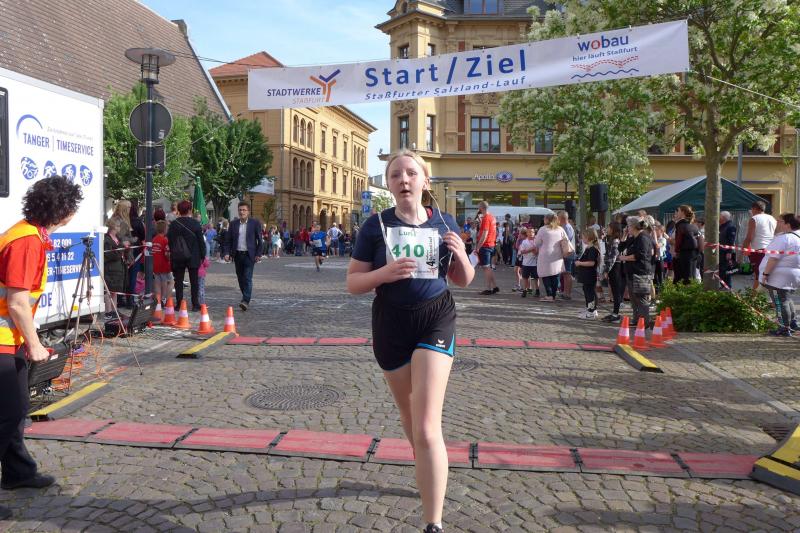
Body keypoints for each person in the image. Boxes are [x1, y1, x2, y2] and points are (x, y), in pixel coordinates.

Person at [346, 149, 474, 533]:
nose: (404, 179)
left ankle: (433, 522)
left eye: (411, 173)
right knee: (409, 414)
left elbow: (463, 279)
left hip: (435, 317)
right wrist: (384, 273)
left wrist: (462, 255)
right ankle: (426, 465)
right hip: (390, 323)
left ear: (424, 181)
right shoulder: (375, 226)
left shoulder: (444, 222)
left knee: (427, 425)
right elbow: (353, 283)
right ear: (389, 184)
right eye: (395, 174)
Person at [0, 176, 83, 519]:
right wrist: (35, 345)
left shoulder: (29, 234)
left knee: (14, 410)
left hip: (9, 340)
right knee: (9, 412)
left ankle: (18, 472)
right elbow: (17, 302)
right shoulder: (26, 242)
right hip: (3, 341)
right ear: (62, 210)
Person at [758, 213, 800, 336]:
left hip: (778, 276)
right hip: (792, 274)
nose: (777, 223)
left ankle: (784, 327)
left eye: (780, 221)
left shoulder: (783, 238)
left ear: (787, 224)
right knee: (786, 298)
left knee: (780, 301)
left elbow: (773, 258)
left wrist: (766, 274)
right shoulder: (797, 237)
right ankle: (792, 323)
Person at [167, 200, 206, 312]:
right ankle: (195, 304)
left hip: (178, 255)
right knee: (194, 281)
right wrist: (202, 255)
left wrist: (173, 252)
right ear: (189, 210)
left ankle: (179, 304)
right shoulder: (195, 223)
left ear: (179, 210)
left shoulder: (174, 224)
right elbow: (201, 241)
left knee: (178, 281)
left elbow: (170, 240)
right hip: (193, 255)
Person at [223, 202, 263, 311]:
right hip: (237, 254)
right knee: (240, 278)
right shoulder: (233, 224)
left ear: (248, 212)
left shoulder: (255, 223)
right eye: (240, 210)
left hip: (249, 255)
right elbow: (228, 240)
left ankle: (245, 300)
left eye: (244, 210)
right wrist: (226, 253)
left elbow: (260, 240)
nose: (242, 212)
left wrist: (258, 254)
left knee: (247, 277)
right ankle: (245, 296)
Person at [619, 217, 655, 327]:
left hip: (641, 272)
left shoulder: (643, 238)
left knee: (641, 298)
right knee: (634, 299)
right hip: (631, 272)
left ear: (633, 226)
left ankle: (644, 322)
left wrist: (625, 258)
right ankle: (636, 319)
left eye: (628, 226)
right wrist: (624, 235)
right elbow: (621, 247)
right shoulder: (633, 238)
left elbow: (641, 255)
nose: (627, 228)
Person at [743, 200, 777, 290]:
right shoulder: (772, 218)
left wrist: (744, 249)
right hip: (771, 249)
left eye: (752, 209)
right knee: (766, 275)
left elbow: (749, 237)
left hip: (759, 250)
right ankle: (759, 296)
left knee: (758, 276)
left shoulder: (754, 218)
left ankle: (754, 297)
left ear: (754, 209)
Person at [533, 213, 567, 302]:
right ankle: (554, 295)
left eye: (544, 218)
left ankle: (549, 295)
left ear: (547, 219)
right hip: (557, 255)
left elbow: (537, 243)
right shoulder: (560, 229)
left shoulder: (543, 229)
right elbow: (566, 240)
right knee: (555, 274)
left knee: (546, 275)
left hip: (545, 255)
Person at [473, 201, 498, 295]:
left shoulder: (486, 218)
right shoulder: (492, 217)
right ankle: (494, 287)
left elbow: (484, 234)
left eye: (478, 207)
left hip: (485, 245)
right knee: (488, 268)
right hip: (491, 244)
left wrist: (478, 247)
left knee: (486, 268)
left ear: (481, 208)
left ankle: (488, 289)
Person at [575, 228, 601, 319]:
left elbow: (591, 263)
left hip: (589, 275)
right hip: (586, 275)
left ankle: (591, 311)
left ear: (589, 237)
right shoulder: (588, 248)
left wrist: (579, 263)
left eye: (583, 237)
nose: (582, 239)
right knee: (587, 291)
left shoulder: (593, 249)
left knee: (590, 293)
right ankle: (589, 308)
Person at [103, 219, 126, 319]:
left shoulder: (117, 238)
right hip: (110, 269)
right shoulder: (107, 239)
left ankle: (114, 310)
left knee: (115, 291)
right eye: (117, 226)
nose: (119, 228)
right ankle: (108, 311)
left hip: (118, 268)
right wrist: (122, 246)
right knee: (108, 291)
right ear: (112, 228)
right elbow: (111, 254)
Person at [672, 205, 701, 284]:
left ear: (683, 213)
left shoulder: (681, 225)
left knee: (683, 277)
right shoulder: (693, 226)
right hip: (694, 254)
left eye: (678, 211)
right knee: (691, 276)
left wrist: (676, 251)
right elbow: (699, 239)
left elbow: (678, 241)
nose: (676, 213)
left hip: (684, 254)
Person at [602, 222, 625, 322]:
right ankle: (614, 313)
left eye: (608, 227)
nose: (607, 229)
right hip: (613, 267)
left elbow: (613, 257)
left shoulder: (615, 241)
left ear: (613, 229)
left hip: (615, 267)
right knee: (614, 290)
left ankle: (616, 314)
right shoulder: (611, 240)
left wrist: (606, 270)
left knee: (616, 291)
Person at [151, 220, 173, 304]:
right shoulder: (164, 240)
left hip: (155, 264)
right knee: (169, 282)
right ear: (164, 229)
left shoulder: (154, 239)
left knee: (157, 283)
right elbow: (167, 253)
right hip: (164, 265)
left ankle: (158, 300)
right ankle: (165, 299)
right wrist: (170, 259)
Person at [558, 211, 576, 300]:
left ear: (561, 218)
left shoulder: (567, 227)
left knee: (567, 273)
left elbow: (565, 241)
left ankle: (567, 293)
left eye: (558, 217)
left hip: (568, 254)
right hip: (567, 253)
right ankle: (565, 292)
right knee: (565, 274)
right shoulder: (565, 227)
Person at [517, 227, 539, 297]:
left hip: (535, 264)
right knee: (525, 278)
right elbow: (522, 252)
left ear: (534, 233)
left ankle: (537, 290)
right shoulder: (524, 242)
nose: (531, 233)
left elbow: (537, 252)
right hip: (526, 263)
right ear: (527, 233)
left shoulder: (537, 241)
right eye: (529, 232)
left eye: (532, 232)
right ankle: (525, 290)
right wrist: (531, 249)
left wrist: (534, 251)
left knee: (536, 278)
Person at [719, 211, 738, 289]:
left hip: (725, 252)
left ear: (723, 218)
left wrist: (729, 252)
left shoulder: (730, 227)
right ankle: (723, 285)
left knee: (726, 270)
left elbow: (731, 241)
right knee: (721, 269)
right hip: (720, 251)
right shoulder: (722, 226)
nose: (718, 218)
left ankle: (727, 286)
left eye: (719, 216)